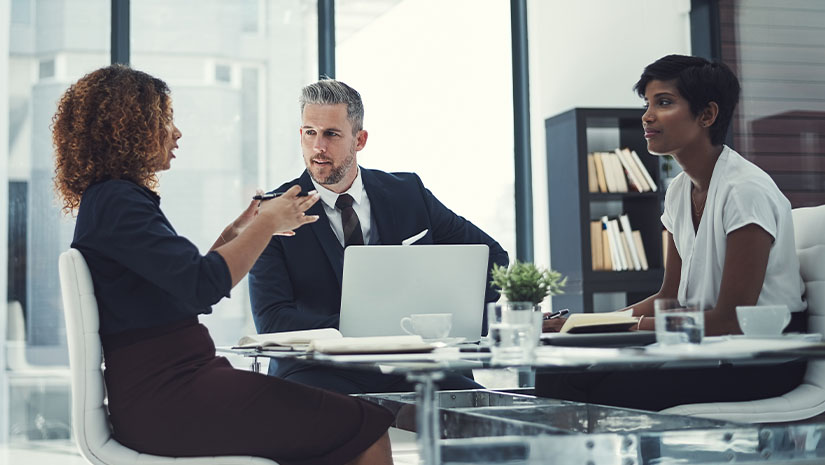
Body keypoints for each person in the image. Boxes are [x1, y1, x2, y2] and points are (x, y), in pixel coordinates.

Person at [54, 64, 395, 465]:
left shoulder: (112, 201)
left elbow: (183, 292)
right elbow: (203, 286)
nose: (176, 132)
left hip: (172, 390)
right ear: (128, 129)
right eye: (164, 120)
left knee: (333, 429)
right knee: (366, 425)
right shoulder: (118, 202)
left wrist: (237, 232)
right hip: (172, 398)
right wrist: (267, 223)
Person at [537, 54, 807, 411]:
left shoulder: (745, 191)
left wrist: (616, 328)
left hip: (760, 357)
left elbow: (731, 320)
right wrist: (584, 324)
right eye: (647, 104)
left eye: (663, 103)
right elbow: (672, 296)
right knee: (558, 372)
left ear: (707, 115)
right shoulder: (680, 191)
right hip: (704, 345)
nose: (647, 116)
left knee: (609, 391)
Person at [249, 78, 509, 394]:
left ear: (360, 139)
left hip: (413, 365)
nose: (319, 147)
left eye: (331, 134)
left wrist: (458, 323)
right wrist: (368, 330)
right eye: (310, 133)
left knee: (483, 412)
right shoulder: (272, 212)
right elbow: (272, 320)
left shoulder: (408, 194)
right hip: (318, 370)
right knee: (344, 421)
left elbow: (491, 257)